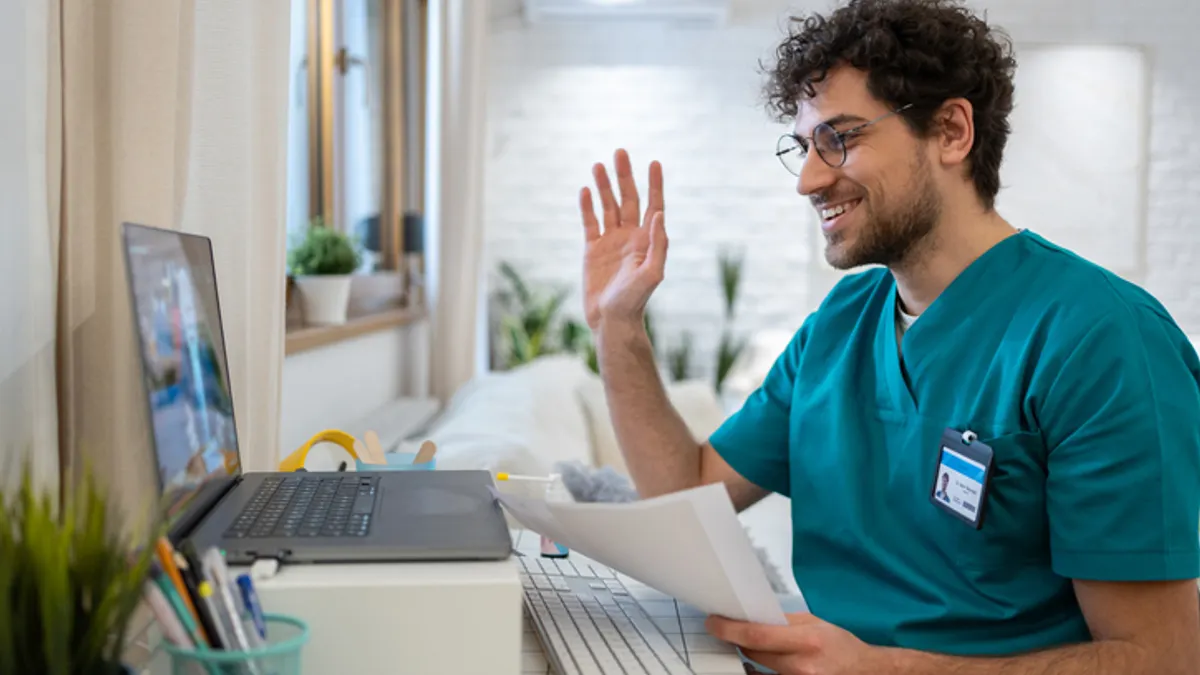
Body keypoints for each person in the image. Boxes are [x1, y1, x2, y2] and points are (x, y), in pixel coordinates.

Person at [576, 0, 1200, 672]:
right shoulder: (838, 326)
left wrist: (886, 669)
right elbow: (688, 493)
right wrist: (618, 326)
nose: (811, 180)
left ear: (952, 131)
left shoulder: (1101, 339)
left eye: (840, 138)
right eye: (805, 147)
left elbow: (1162, 656)